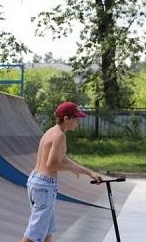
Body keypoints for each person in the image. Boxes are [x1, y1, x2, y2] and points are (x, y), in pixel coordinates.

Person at [22, 102, 103, 242]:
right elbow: (52, 164)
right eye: (76, 119)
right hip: (45, 186)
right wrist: (71, 169)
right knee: (33, 235)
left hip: (36, 181)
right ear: (66, 119)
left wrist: (88, 172)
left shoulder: (50, 131)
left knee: (47, 231)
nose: (78, 122)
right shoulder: (60, 136)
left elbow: (62, 159)